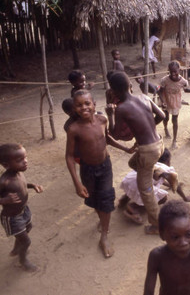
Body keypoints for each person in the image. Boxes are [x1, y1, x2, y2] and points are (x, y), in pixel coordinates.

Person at [66, 90, 134, 257]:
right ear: (74, 109)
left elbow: (107, 139)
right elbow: (68, 156)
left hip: (105, 167)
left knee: (106, 198)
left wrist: (126, 149)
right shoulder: (74, 129)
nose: (84, 107)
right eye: (79, 105)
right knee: (95, 199)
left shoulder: (102, 120)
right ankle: (102, 220)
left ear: (94, 104)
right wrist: (77, 183)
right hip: (87, 169)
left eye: (87, 103)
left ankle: (104, 235)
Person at [110, 72, 166, 234]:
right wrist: (147, 130)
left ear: (114, 92)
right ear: (130, 86)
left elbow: (116, 135)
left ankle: (156, 225)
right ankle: (157, 172)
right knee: (133, 163)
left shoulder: (121, 109)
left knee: (145, 189)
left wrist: (110, 115)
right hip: (159, 143)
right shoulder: (144, 97)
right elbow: (162, 115)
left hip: (148, 151)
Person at [0, 143, 43, 271]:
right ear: (6, 165)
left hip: (23, 210)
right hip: (12, 217)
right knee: (26, 241)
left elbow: (23, 184)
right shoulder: (3, 181)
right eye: (19, 160)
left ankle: (16, 249)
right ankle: (23, 261)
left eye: (25, 157)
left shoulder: (19, 172)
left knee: (28, 227)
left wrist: (33, 186)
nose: (25, 162)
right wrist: (5, 200)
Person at [120, 149, 190, 224]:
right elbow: (176, 186)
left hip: (128, 181)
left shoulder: (150, 163)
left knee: (138, 184)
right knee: (163, 198)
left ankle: (126, 197)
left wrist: (170, 185)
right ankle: (133, 208)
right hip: (139, 186)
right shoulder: (166, 169)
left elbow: (158, 179)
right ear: (168, 161)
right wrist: (185, 198)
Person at [159, 61, 188, 149]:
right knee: (166, 117)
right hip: (166, 100)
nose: (173, 73)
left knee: (175, 120)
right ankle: (165, 128)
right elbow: (160, 91)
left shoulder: (183, 81)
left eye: (175, 71)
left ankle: (174, 140)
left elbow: (186, 89)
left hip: (176, 102)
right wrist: (162, 101)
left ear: (179, 70)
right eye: (171, 71)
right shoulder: (165, 80)